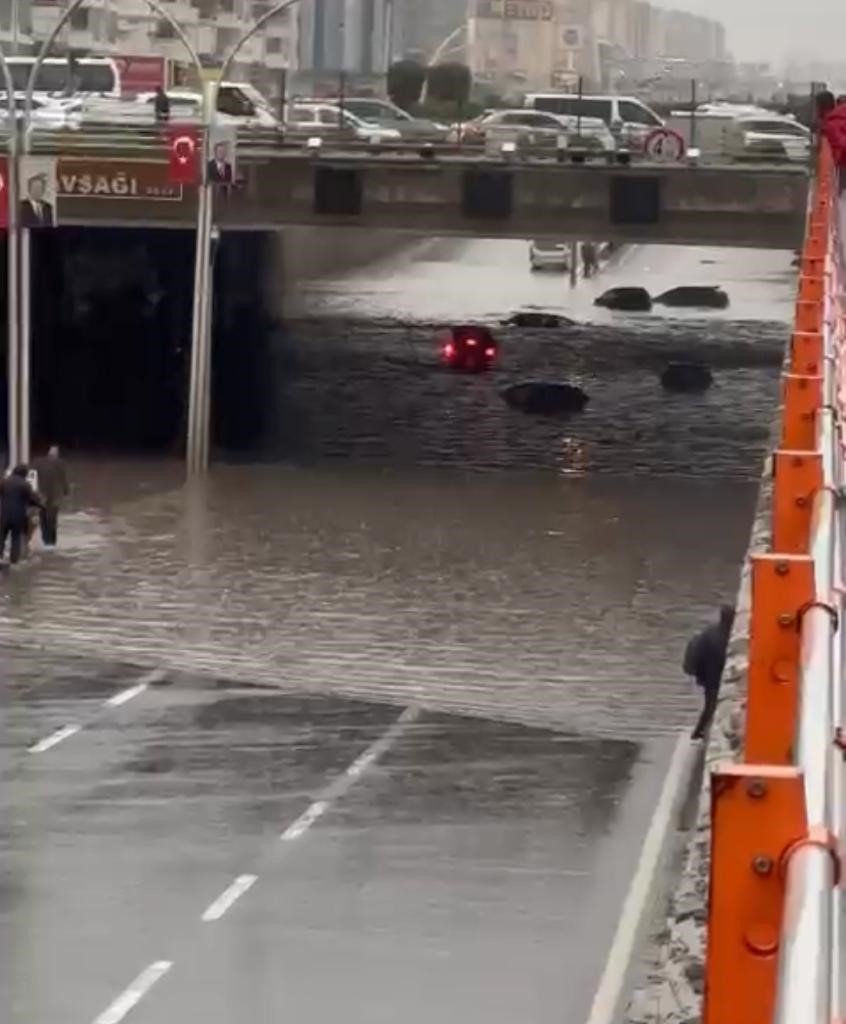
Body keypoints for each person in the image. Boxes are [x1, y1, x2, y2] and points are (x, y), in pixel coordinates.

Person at [683, 604, 736, 740]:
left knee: (710, 706)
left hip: (708, 675)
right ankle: (698, 733)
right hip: (714, 676)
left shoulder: (709, 633)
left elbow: (697, 652)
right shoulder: (725, 637)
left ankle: (699, 732)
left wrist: (695, 673)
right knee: (711, 706)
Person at [0, 465, 44, 565]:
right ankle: (14, 561)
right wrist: (41, 505)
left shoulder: (4, 482)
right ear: (24, 473)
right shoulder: (25, 485)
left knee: (1, 537)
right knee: (16, 539)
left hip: (4, 515)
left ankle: (0, 557)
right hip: (18, 516)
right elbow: (33, 499)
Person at [32, 445, 69, 547]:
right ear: (56, 454)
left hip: (41, 495)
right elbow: (63, 479)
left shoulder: (37, 462)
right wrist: (66, 492)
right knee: (52, 520)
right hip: (54, 496)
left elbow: (32, 476)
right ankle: (51, 543)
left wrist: (33, 493)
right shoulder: (60, 463)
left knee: (43, 518)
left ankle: (45, 540)